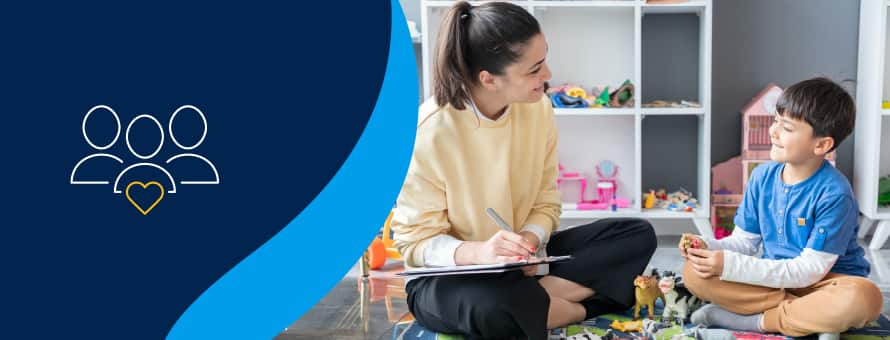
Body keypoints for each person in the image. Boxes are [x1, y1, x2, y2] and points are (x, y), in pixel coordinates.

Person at [391, 2, 656, 339]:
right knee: (491, 306)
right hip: (449, 276)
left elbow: (547, 201)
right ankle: (582, 305)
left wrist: (529, 241)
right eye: (534, 69)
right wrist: (481, 252)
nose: (548, 76)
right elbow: (416, 243)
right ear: (489, 79)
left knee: (636, 235)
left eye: (544, 61)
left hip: (523, 265)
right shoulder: (428, 132)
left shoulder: (538, 109)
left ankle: (535, 306)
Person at [680, 77, 882, 337]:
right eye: (775, 120)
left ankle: (757, 321)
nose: (773, 131)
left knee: (864, 298)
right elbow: (744, 243)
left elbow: (809, 271)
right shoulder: (761, 177)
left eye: (786, 127)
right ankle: (812, 318)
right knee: (694, 273)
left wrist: (730, 265)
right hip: (776, 283)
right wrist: (708, 248)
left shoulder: (835, 194)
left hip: (826, 282)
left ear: (821, 145)